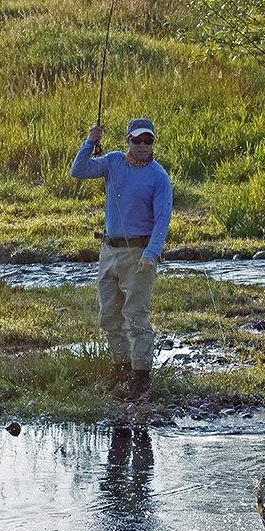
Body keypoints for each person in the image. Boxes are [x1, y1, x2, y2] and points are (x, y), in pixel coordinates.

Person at [71, 117, 172, 401]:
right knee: (109, 315)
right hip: (108, 251)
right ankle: (120, 370)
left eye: (148, 141)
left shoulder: (159, 177)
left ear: (153, 143)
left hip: (139, 254)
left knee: (136, 316)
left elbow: (163, 219)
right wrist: (90, 142)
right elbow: (78, 171)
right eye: (137, 140)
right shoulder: (112, 161)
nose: (142, 146)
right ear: (127, 139)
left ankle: (141, 378)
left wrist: (151, 253)